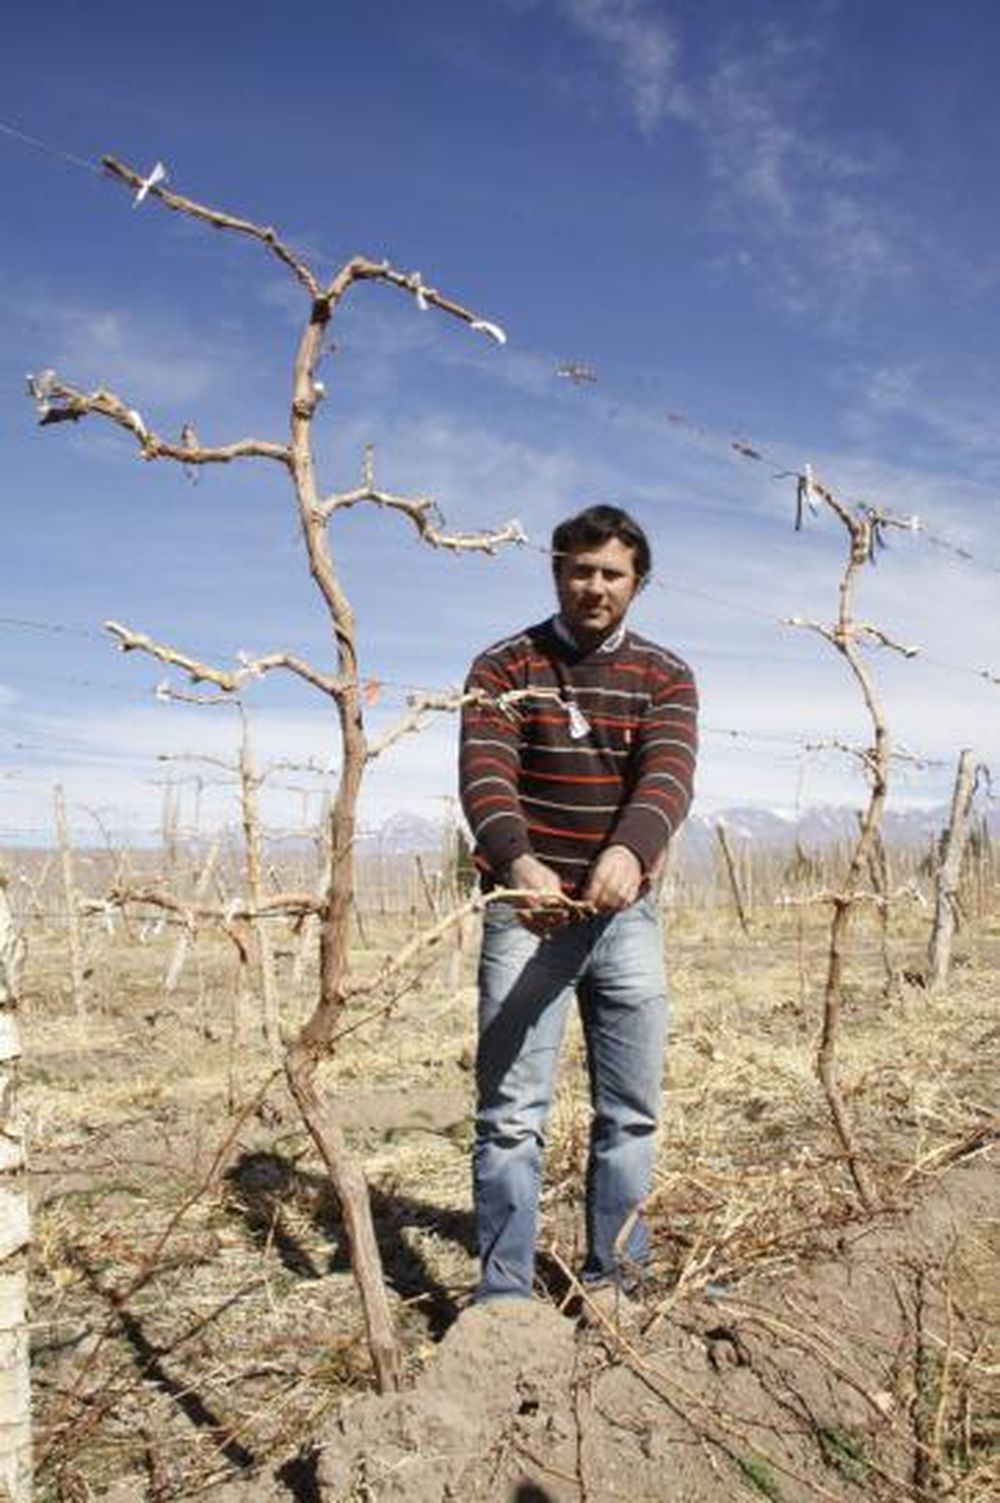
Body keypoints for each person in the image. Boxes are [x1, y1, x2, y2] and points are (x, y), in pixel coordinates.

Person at [459, 504, 698, 1303]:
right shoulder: (502, 667)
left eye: (612, 573)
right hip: (527, 915)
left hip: (625, 918)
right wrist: (517, 864)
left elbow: (667, 775)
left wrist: (629, 852)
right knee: (509, 1114)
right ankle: (503, 1296)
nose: (595, 586)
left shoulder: (666, 675)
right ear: (557, 570)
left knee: (630, 1112)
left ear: (639, 582)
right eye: (580, 569)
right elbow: (485, 775)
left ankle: (620, 1279)